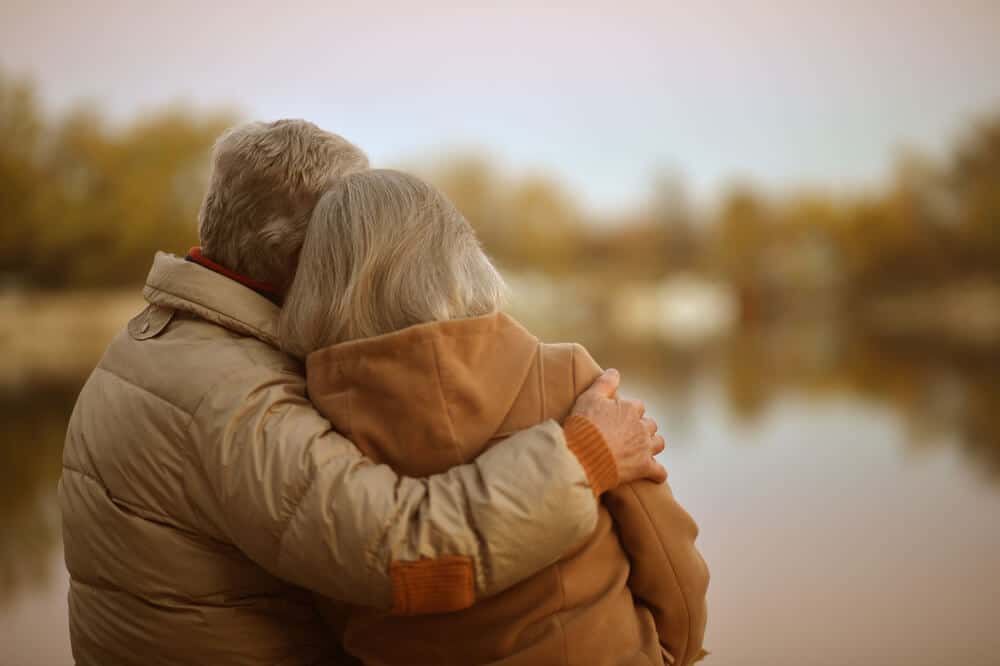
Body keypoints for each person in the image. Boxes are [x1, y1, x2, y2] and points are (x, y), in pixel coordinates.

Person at [58, 120, 668, 665]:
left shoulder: (160, 341)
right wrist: (586, 454)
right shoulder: (229, 395)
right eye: (348, 227)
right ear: (307, 251)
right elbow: (404, 556)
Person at [278, 168, 709, 665]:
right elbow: (671, 562)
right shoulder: (567, 377)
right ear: (454, 256)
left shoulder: (312, 420)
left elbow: (335, 599)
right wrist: (668, 652)